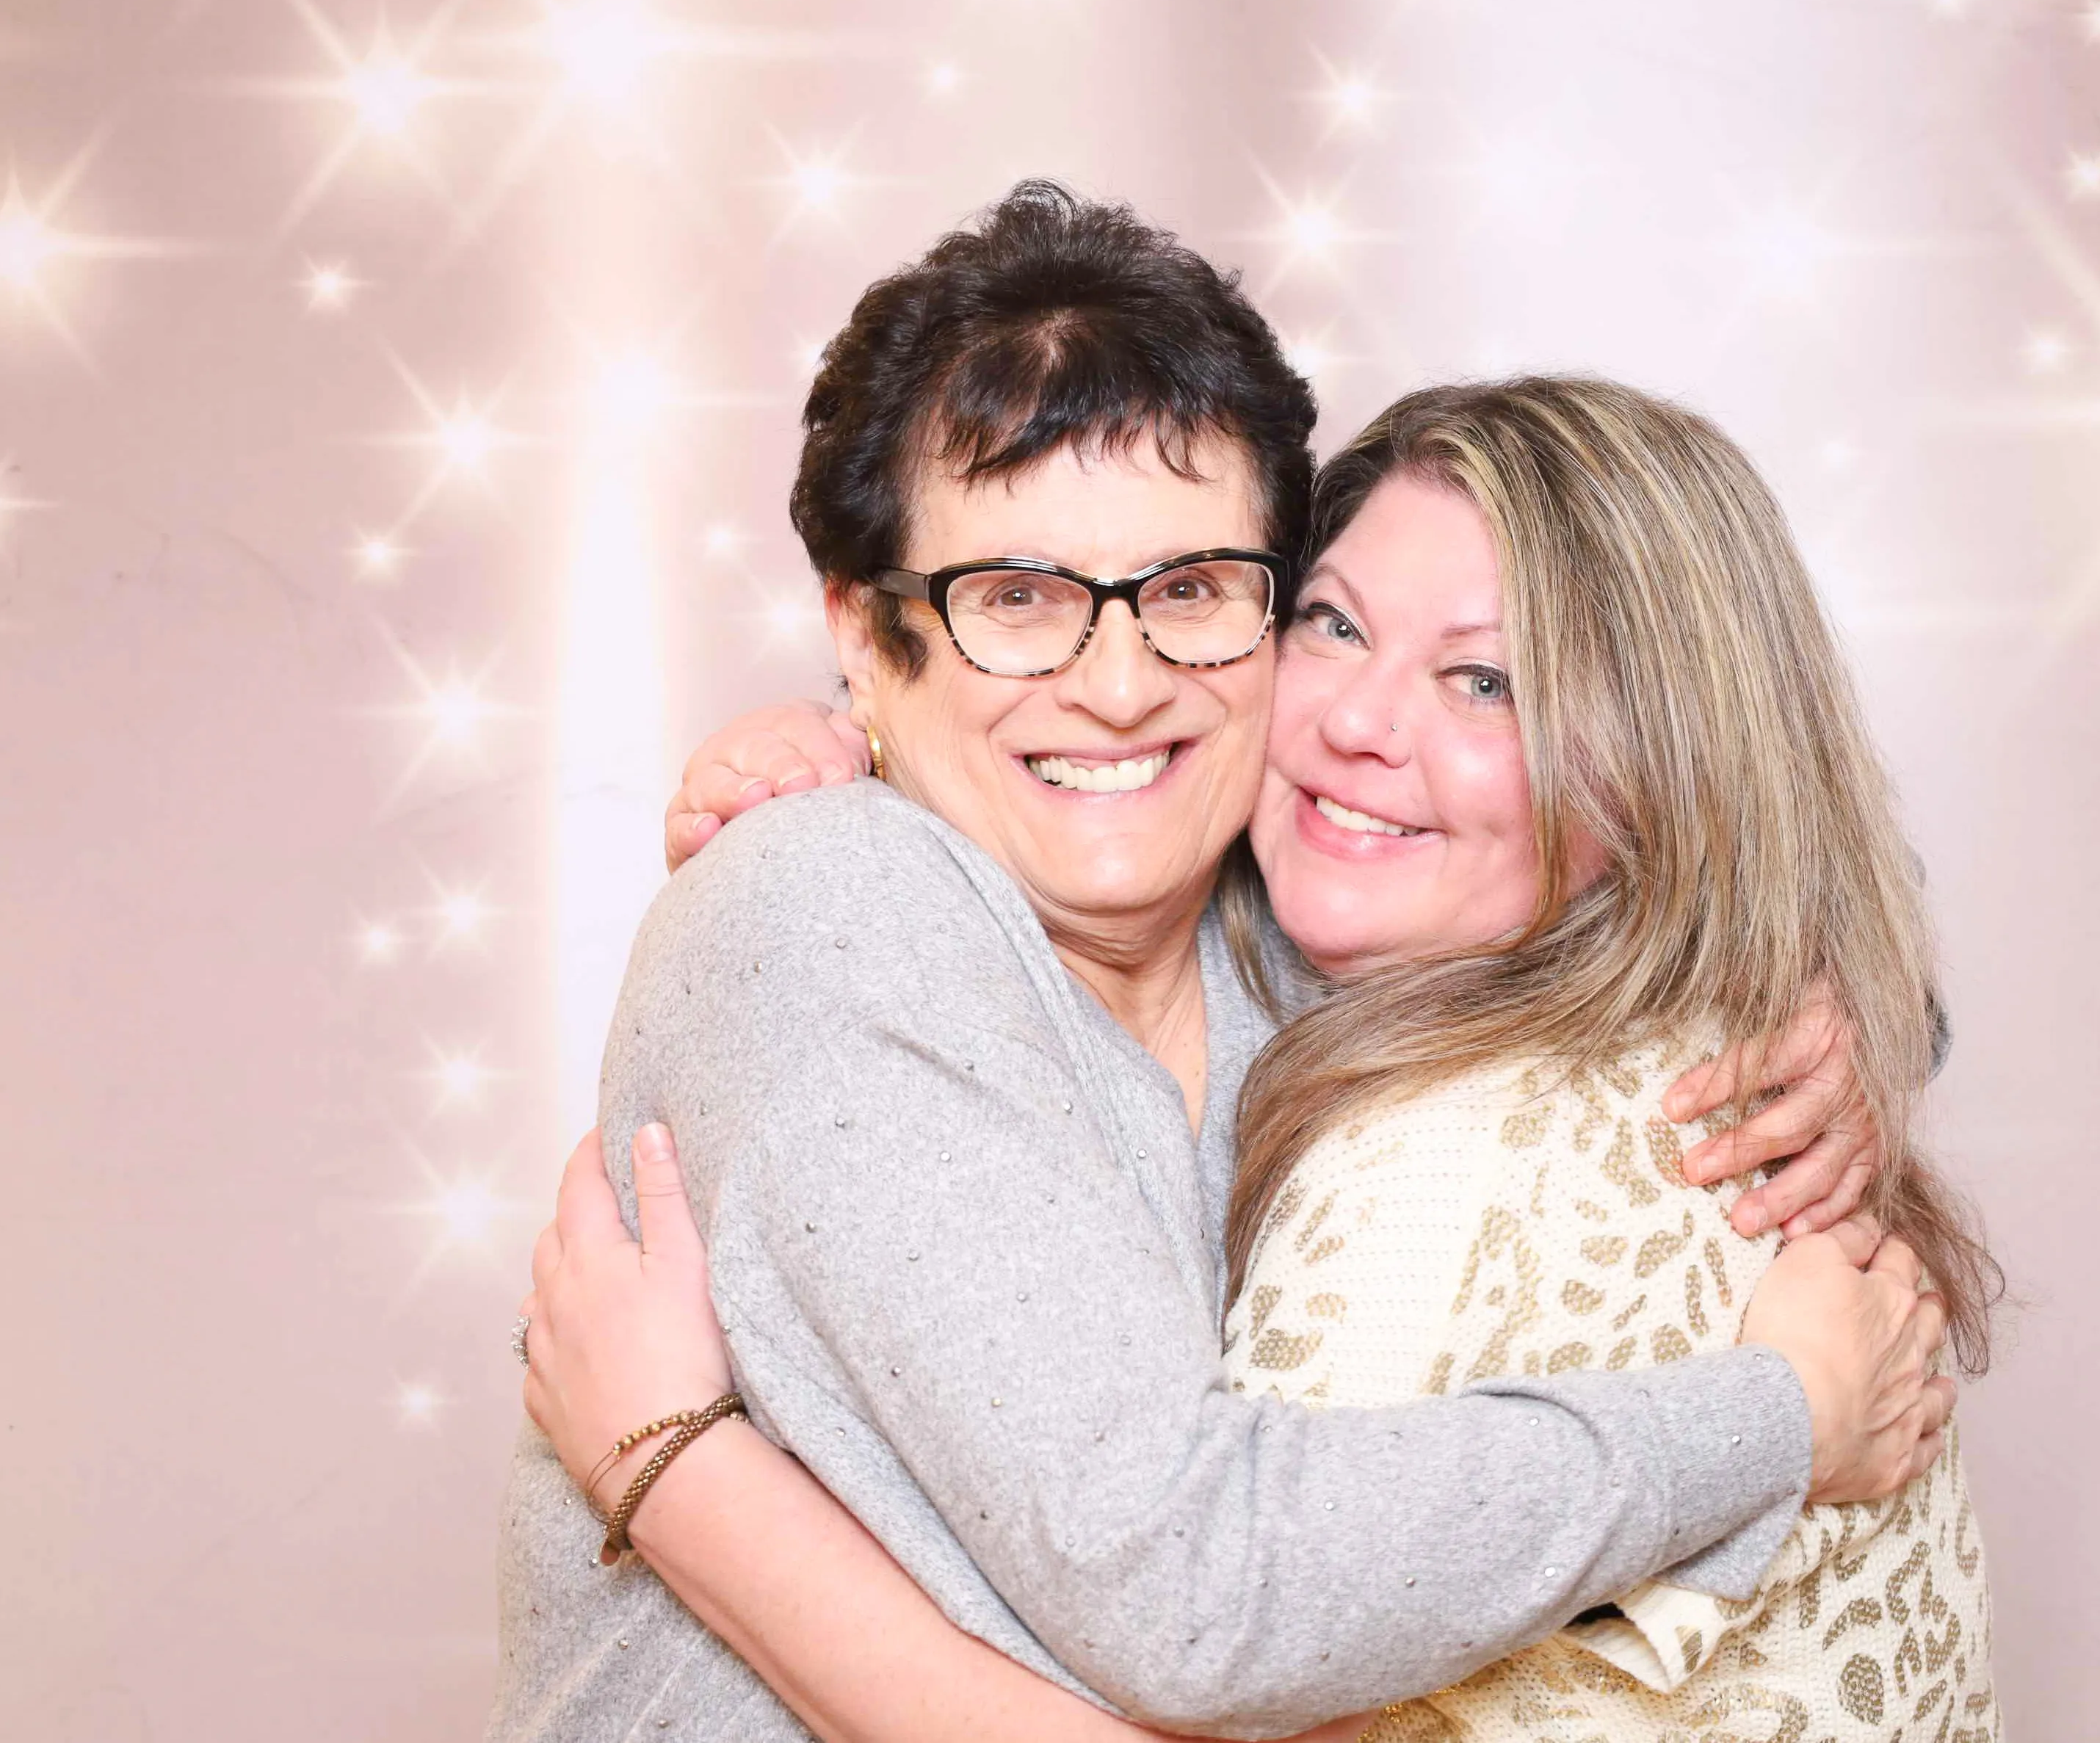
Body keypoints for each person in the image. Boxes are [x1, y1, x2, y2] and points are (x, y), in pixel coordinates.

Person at [495, 183, 1953, 1743]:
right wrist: (1774, 1414)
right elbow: (1194, 1603)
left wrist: (1840, 1002)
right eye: (1018, 598)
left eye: (1191, 590)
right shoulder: (828, 902)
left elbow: (1638, 816)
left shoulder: (1287, 928)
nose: (1119, 683)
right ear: (864, 631)